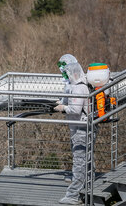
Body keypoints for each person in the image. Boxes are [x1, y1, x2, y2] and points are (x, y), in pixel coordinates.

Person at [54, 54, 93, 205]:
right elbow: (68, 99)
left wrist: (63, 107)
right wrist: (60, 103)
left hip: (82, 129)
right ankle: (87, 184)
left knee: (79, 160)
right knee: (84, 159)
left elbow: (75, 110)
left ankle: (73, 195)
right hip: (79, 128)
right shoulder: (76, 85)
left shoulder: (79, 88)